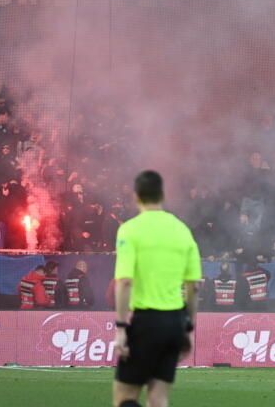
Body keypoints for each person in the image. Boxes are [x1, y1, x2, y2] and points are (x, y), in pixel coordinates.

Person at [113, 170, 202, 407]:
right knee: (158, 399)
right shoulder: (182, 230)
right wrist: (189, 327)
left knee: (125, 397)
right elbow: (193, 287)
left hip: (146, 322)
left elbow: (124, 281)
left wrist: (121, 327)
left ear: (136, 196)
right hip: (174, 323)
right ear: (162, 195)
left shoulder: (130, 230)